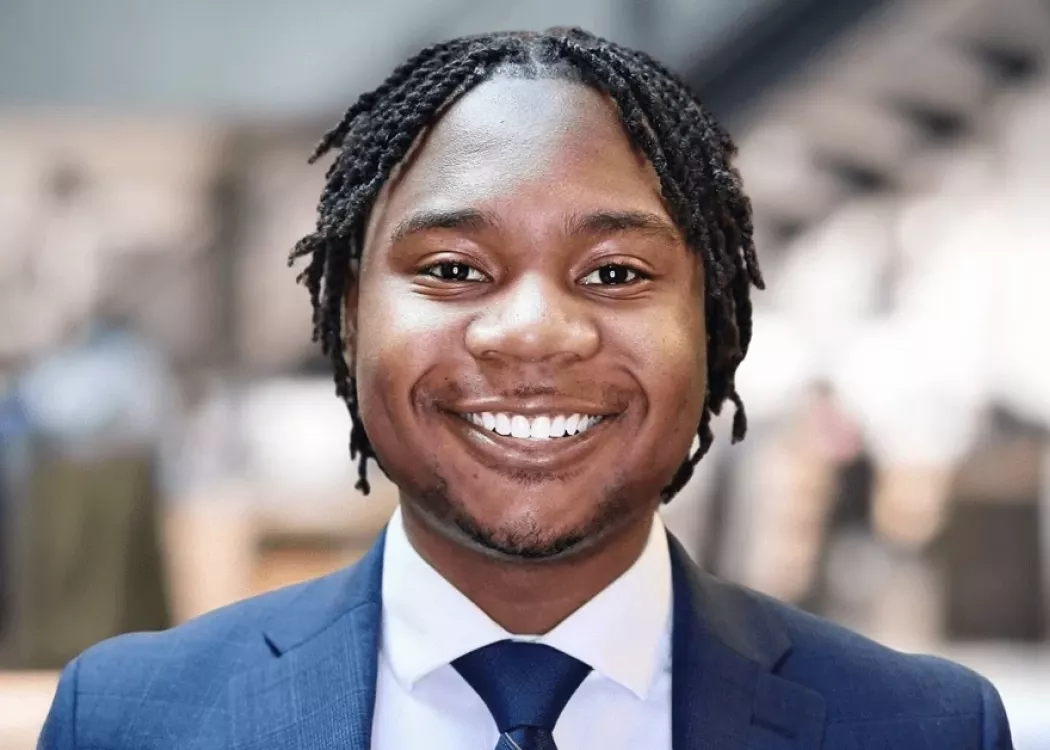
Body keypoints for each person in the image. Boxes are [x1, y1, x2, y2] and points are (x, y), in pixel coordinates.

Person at [39, 28, 1012, 749]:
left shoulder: (922, 727)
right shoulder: (127, 720)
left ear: (713, 329)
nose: (536, 332)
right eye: (456, 270)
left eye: (617, 274)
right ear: (346, 317)